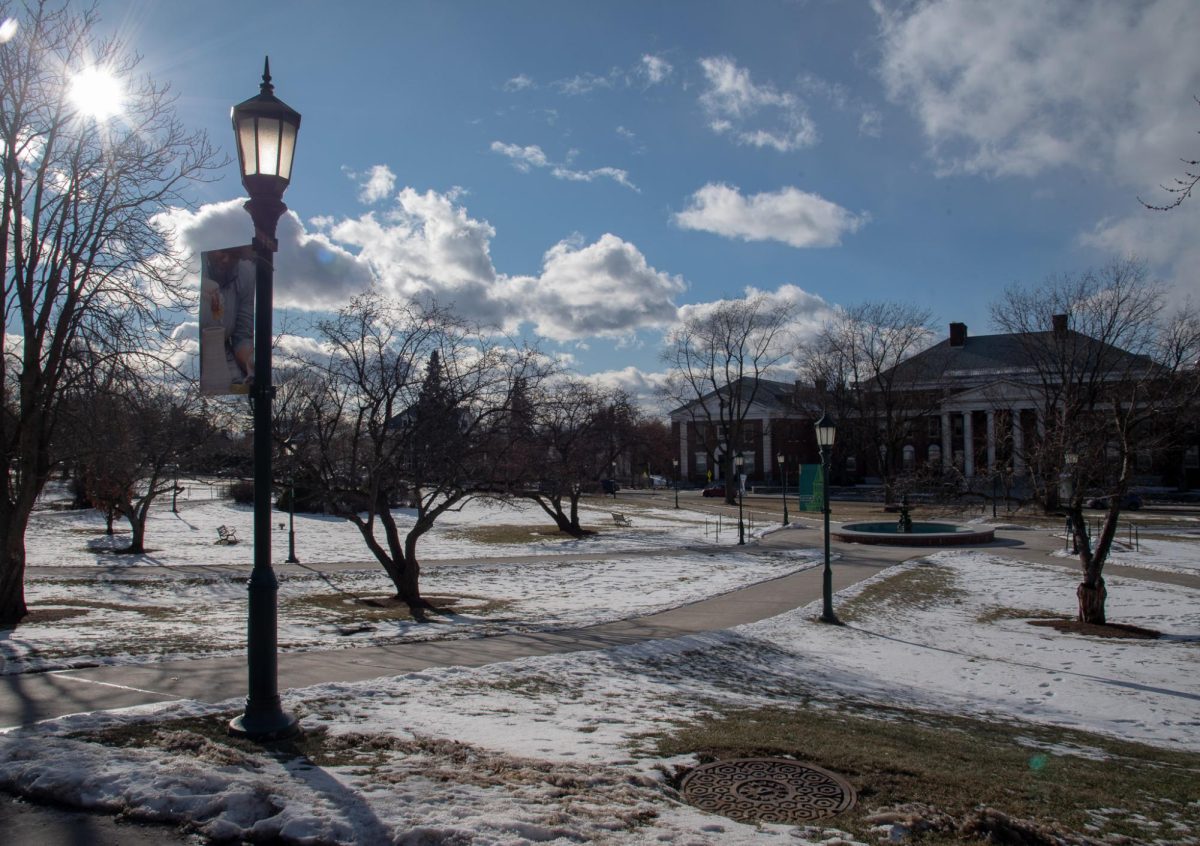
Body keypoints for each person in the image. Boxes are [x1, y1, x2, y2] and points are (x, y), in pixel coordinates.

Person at [200, 247, 255, 395]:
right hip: (195, 358)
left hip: (224, 359)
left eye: (234, 255)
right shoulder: (193, 265)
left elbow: (242, 335)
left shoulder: (246, 275)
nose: (226, 260)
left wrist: (251, 361)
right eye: (222, 253)